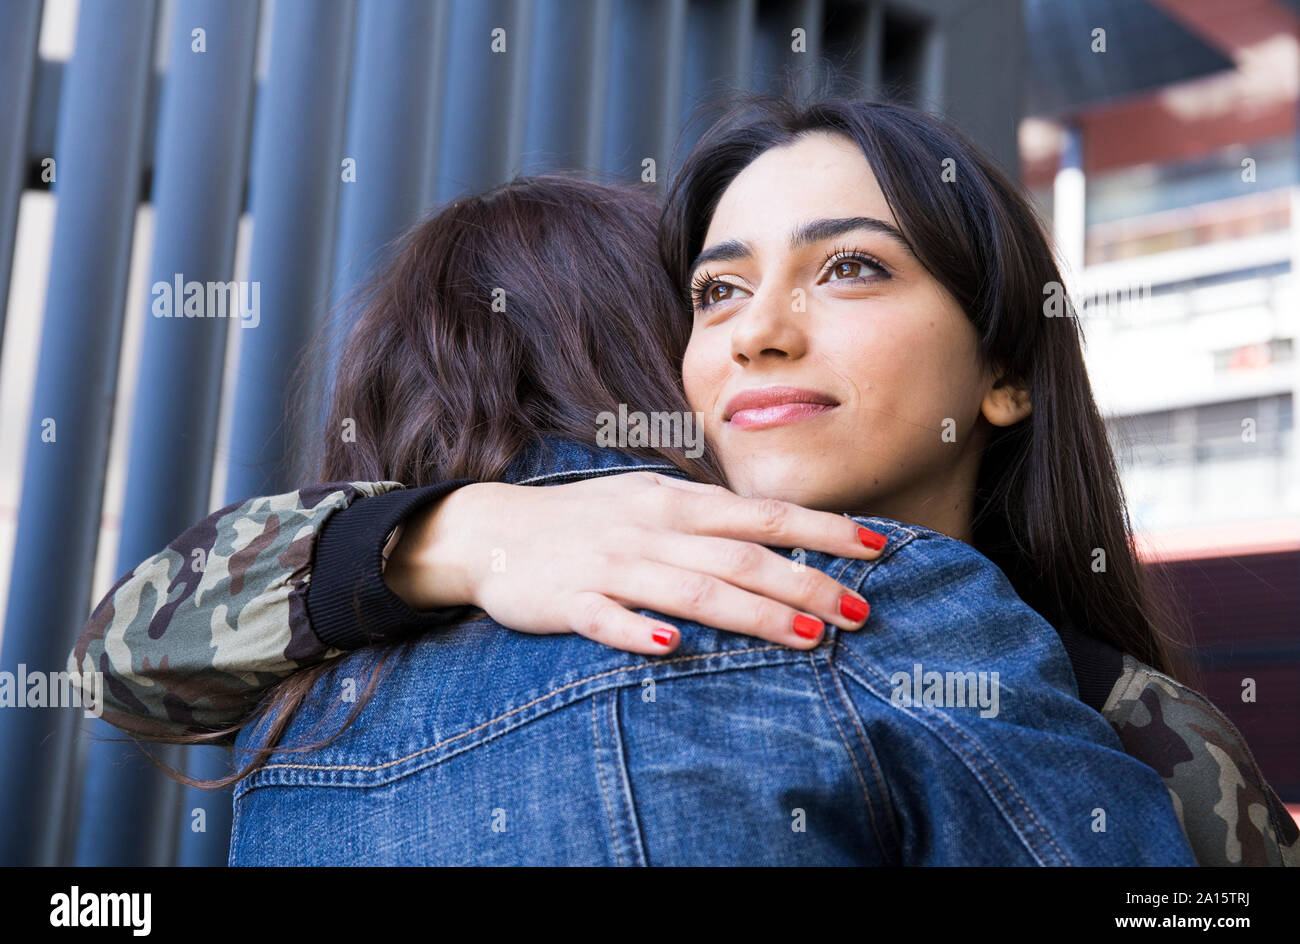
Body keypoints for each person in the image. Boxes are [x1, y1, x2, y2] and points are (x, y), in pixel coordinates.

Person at [72, 97, 1297, 865]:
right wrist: (463, 535)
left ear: (1005, 369)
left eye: (853, 269)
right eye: (713, 292)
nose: (757, 330)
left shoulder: (1118, 711)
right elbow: (124, 654)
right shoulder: (509, 583)